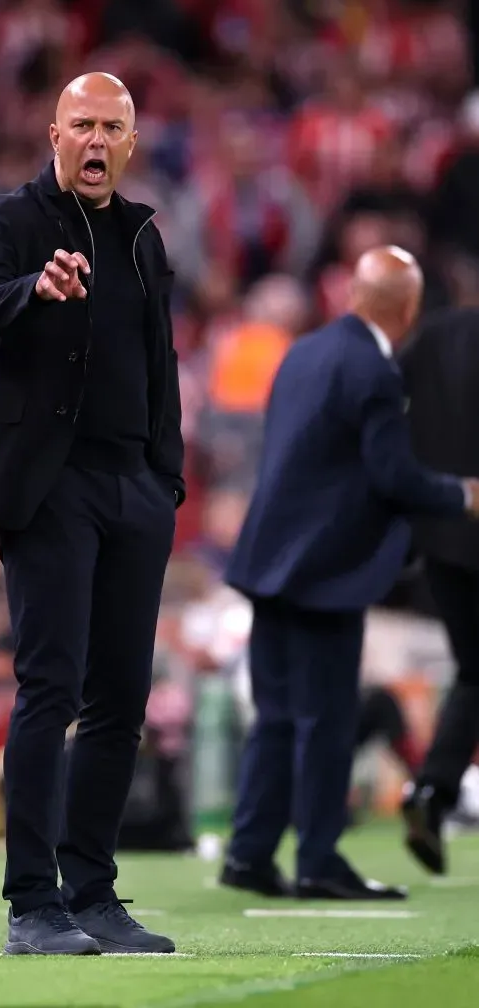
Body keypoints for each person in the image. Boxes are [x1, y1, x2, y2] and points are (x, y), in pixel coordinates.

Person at [0, 72, 182, 955]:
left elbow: (161, 362)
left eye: (110, 128)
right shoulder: (7, 222)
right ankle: (31, 904)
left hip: (134, 486)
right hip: (49, 486)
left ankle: (93, 893)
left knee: (121, 697)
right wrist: (30, 292)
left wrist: (170, 476)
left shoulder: (145, 236)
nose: (94, 141)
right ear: (52, 134)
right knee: (50, 685)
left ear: (129, 142)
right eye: (80, 124)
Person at [218, 246, 479, 901]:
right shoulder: (374, 370)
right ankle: (317, 860)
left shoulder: (303, 352)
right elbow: (392, 475)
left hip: (270, 559)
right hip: (325, 570)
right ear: (409, 307)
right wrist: (464, 495)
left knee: (276, 716)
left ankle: (248, 854)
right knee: (327, 719)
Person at [399, 257, 479, 874]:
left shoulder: (427, 340)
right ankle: (433, 790)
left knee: (474, 671)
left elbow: (388, 413)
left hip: (441, 540)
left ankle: (432, 789)